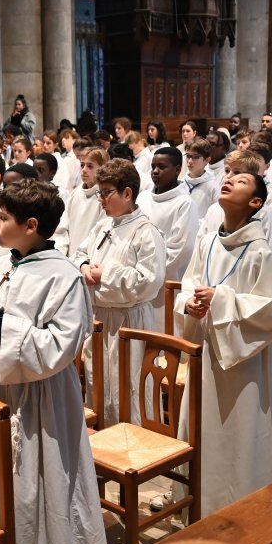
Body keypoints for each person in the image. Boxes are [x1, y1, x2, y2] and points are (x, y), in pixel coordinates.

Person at [0, 179, 110, 544]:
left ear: (30, 226)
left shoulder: (64, 277)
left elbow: (59, 348)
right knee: (1, 485)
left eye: (3, 218)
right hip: (0, 391)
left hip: (42, 401)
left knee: (42, 490)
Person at [174, 171, 272, 516]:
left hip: (243, 362)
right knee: (205, 427)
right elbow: (189, 283)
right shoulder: (207, 241)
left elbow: (269, 312)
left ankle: (240, 505)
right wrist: (189, 304)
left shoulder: (259, 251)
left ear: (255, 202)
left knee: (239, 432)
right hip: (209, 351)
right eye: (229, 177)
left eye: (241, 181)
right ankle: (200, 500)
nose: (229, 181)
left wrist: (220, 299)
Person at [72, 159, 167, 426]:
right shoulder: (103, 226)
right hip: (100, 322)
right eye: (99, 193)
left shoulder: (146, 232)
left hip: (130, 325)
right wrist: (83, 266)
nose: (100, 199)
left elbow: (150, 281)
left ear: (127, 193)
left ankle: (135, 454)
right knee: (97, 385)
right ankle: (103, 452)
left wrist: (106, 275)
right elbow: (80, 253)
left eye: (105, 193)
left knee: (130, 388)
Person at [138, 147, 200, 332]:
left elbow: (180, 250)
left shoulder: (184, 203)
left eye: (162, 167)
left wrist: (150, 274)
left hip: (165, 282)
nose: (155, 171)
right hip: (139, 278)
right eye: (153, 166)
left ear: (177, 169)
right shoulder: (142, 198)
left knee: (164, 338)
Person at [55, 146, 107, 257]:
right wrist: (61, 254)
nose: (83, 170)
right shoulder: (75, 193)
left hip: (89, 260)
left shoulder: (104, 197)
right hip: (68, 259)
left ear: (102, 168)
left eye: (90, 166)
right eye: (82, 165)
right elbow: (62, 228)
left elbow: (101, 234)